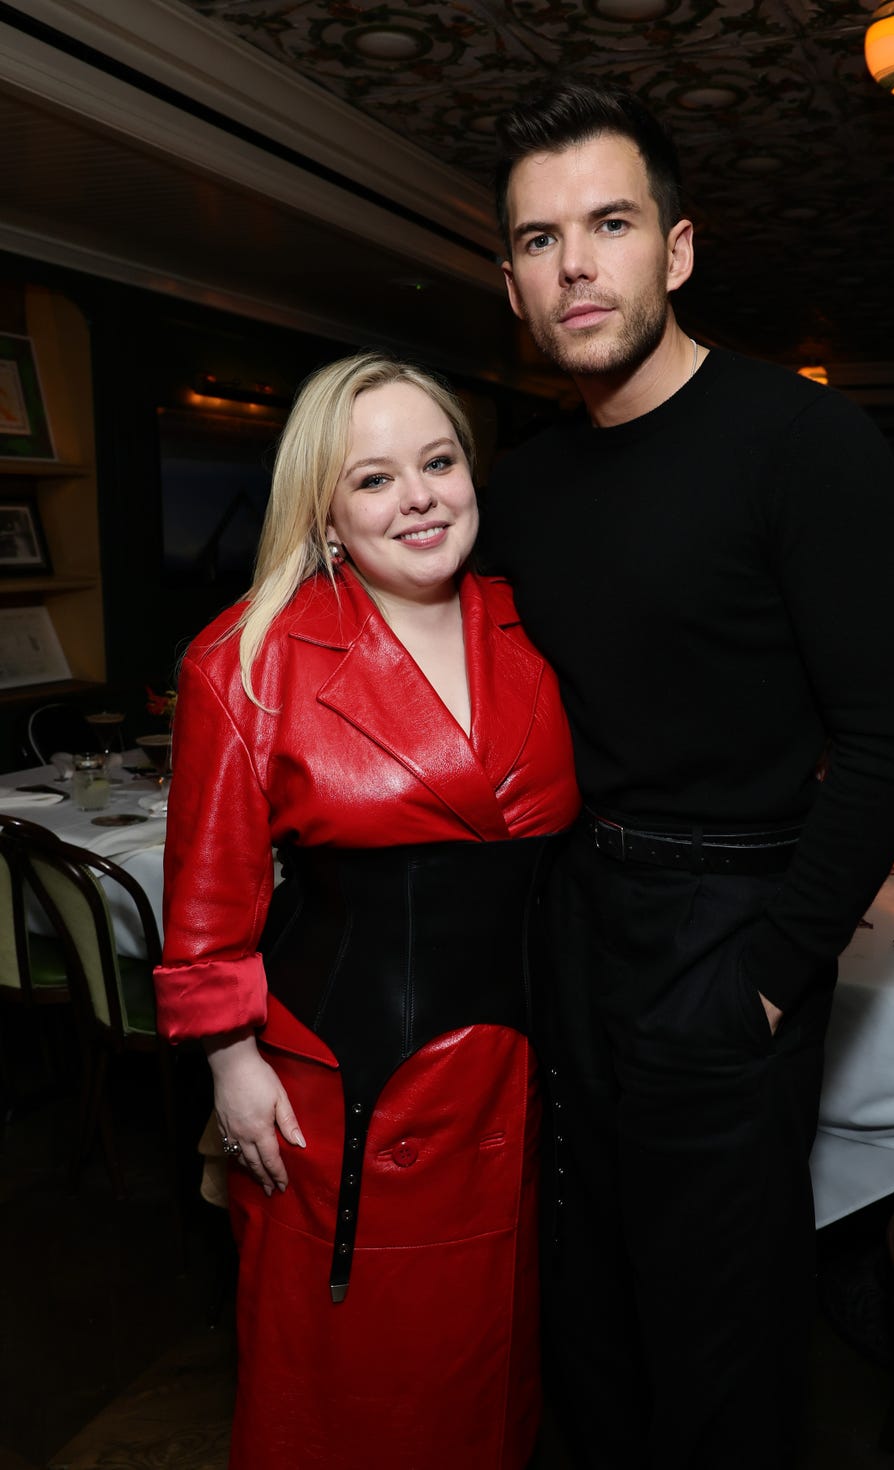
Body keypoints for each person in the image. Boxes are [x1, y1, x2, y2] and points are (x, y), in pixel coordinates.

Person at [481, 77, 894, 1469]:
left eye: (610, 223)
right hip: (570, 922)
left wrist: (766, 973)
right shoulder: (520, 488)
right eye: (539, 238)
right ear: (509, 280)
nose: (575, 263)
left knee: (722, 1332)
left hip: (727, 926)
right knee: (591, 1310)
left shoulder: (804, 443)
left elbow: (893, 738)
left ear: (675, 252)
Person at [154, 352, 580, 1470]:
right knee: (349, 1380)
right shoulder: (248, 658)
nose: (421, 496)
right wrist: (229, 1067)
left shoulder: (531, 627)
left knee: (484, 1372)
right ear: (326, 513)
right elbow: (207, 903)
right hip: (342, 1091)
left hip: (515, 1071)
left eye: (437, 462)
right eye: (375, 479)